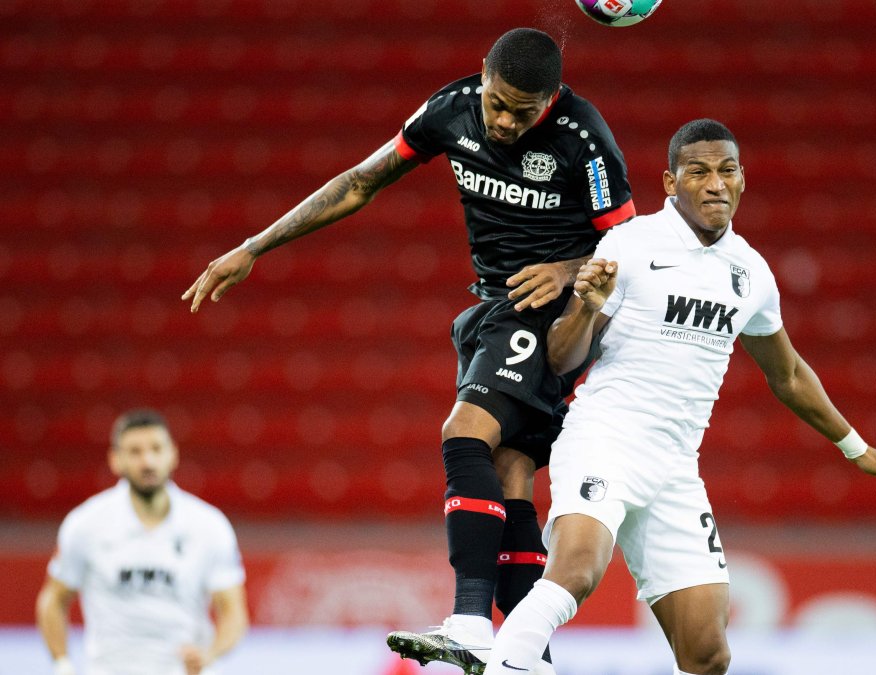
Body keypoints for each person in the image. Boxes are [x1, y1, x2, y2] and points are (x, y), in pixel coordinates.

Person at [180, 28, 634, 674]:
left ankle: (471, 622)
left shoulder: (583, 136)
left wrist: (565, 270)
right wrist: (255, 245)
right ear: (482, 73)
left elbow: (630, 248)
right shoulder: (450, 110)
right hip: (493, 307)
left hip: (555, 311)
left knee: (463, 432)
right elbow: (363, 181)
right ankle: (534, 659)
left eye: (523, 112)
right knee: (509, 480)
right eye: (497, 102)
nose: (505, 121)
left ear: (551, 99)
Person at [481, 119, 876, 675]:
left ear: (742, 181)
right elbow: (562, 360)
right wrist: (587, 305)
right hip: (605, 439)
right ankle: (505, 665)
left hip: (676, 468)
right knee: (578, 571)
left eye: (727, 171)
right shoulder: (631, 244)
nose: (715, 184)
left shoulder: (750, 273)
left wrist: (854, 446)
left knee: (707, 653)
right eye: (699, 172)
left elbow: (789, 376)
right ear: (670, 182)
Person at [35, 409, 249, 675]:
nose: (148, 461)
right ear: (115, 460)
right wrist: (62, 664)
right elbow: (54, 599)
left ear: (173, 454)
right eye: (135, 452)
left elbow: (233, 612)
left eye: (156, 449)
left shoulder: (209, 527)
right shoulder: (86, 525)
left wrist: (211, 653)